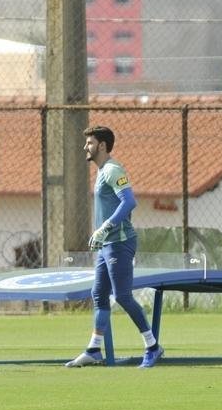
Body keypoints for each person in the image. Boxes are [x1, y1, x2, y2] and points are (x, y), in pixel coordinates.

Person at [65, 125, 164, 369]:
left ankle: (152, 347)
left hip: (119, 243)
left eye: (89, 143)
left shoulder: (112, 169)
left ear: (101, 145)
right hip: (106, 244)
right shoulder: (101, 171)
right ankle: (94, 350)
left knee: (121, 296)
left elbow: (129, 202)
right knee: (98, 295)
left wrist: (105, 227)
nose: (84, 147)